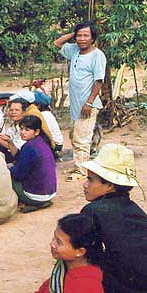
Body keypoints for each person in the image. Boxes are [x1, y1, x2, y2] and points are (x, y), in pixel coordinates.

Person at [80, 143, 147, 293]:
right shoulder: (133, 208)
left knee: (75, 259)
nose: (85, 185)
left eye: (91, 180)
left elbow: (87, 255)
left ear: (109, 185)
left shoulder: (92, 211)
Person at [54, 22, 106, 182]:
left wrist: (89, 103)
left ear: (93, 38)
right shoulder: (74, 50)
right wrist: (74, 33)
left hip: (87, 105)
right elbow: (57, 43)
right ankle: (82, 164)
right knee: (75, 135)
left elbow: (98, 81)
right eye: (79, 36)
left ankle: (81, 171)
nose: (82, 39)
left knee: (81, 138)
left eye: (86, 36)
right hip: (75, 104)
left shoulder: (97, 55)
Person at [9, 115, 57, 213]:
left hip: (37, 196)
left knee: (6, 175)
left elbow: (19, 174)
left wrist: (9, 168)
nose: (22, 132)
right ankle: (39, 203)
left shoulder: (29, 147)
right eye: (21, 129)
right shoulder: (42, 142)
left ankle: (25, 202)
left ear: (37, 132)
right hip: (50, 193)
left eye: (27, 130)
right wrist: (10, 144)